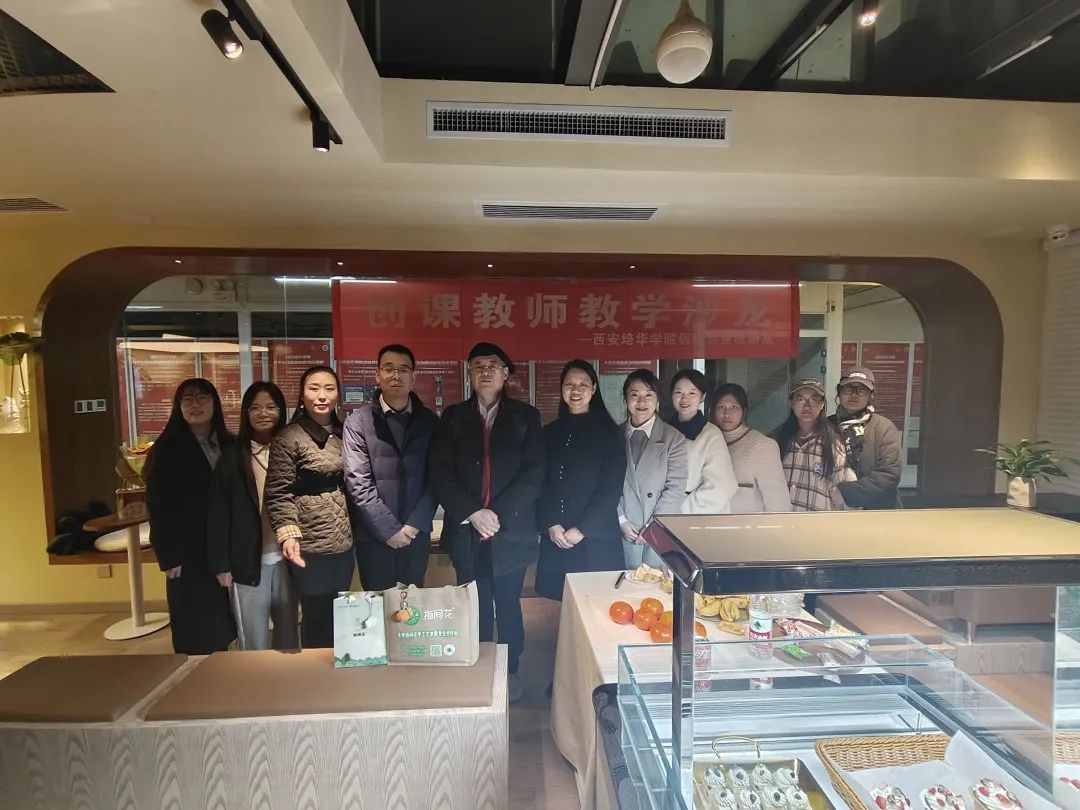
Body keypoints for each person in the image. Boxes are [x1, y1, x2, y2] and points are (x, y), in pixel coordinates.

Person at [429, 342, 544, 703]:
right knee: (472, 603)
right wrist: (472, 512)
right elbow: (440, 471)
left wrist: (497, 515)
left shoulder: (526, 417)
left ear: (506, 374)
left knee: (508, 604)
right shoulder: (452, 417)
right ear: (469, 373)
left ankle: (510, 671)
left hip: (510, 530)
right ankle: (477, 668)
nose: (485, 371)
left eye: (493, 365)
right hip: (467, 530)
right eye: (478, 365)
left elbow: (534, 473)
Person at [145, 378, 236, 654]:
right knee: (195, 625)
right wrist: (169, 555)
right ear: (178, 406)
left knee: (224, 622)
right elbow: (158, 507)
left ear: (215, 403)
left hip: (226, 546)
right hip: (188, 551)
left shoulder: (230, 444)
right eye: (187, 399)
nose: (195, 405)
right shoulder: (166, 450)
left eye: (202, 398)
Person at [265, 365, 353, 648]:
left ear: (338, 394)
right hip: (311, 540)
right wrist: (288, 534)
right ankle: (317, 668)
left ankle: (340, 661)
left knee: (342, 608)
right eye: (314, 388)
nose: (321, 396)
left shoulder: (345, 432)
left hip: (344, 539)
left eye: (329, 388)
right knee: (316, 613)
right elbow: (278, 492)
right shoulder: (289, 437)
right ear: (302, 396)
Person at [207, 381, 299, 650]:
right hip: (247, 562)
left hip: (288, 559)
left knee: (289, 636)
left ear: (281, 411)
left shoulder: (294, 451)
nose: (263, 413)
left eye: (271, 407)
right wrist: (222, 565)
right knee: (253, 640)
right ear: (245, 413)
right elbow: (218, 515)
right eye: (256, 408)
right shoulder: (232, 458)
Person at [343, 344, 438, 592]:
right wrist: (388, 530)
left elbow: (437, 479)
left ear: (413, 377)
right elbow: (357, 482)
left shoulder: (429, 421)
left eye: (403, 369)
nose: (396, 375)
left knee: (412, 606)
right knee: (377, 605)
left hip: (415, 535)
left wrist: (413, 525)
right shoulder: (358, 422)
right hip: (374, 537)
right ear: (377, 375)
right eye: (389, 369)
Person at [534, 360, 626, 601]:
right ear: (561, 388)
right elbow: (540, 483)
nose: (575, 390)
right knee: (562, 599)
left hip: (595, 536)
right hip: (557, 534)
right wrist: (550, 523)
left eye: (583, 384)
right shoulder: (549, 432)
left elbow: (610, 489)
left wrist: (583, 529)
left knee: (597, 601)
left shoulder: (610, 434)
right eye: (569, 384)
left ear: (594, 389)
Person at [618, 369, 688, 568]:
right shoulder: (613, 435)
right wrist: (621, 520)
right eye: (634, 395)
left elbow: (675, 487)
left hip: (658, 529)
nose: (641, 401)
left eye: (648, 395)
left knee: (654, 581)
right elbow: (606, 484)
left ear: (657, 400)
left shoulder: (673, 438)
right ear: (625, 399)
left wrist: (653, 527)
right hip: (622, 529)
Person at [772, 377, 855, 512]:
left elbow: (848, 493)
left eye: (814, 400)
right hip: (782, 521)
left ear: (822, 404)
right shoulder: (777, 441)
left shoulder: (833, 444)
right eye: (800, 399)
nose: (807, 406)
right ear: (791, 403)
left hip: (817, 523)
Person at [828, 367, 904, 509]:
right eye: (848, 388)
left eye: (862, 390)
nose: (854, 395)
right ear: (839, 391)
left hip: (878, 511)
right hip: (834, 509)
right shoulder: (827, 426)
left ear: (871, 395)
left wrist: (846, 492)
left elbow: (890, 475)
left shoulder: (883, 428)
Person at [710, 383, 792, 513]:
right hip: (710, 523)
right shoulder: (706, 442)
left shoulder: (762, 445)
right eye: (721, 407)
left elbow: (778, 504)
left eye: (734, 407)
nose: (727, 413)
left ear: (744, 411)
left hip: (747, 524)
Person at [668, 369, 737, 514]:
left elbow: (721, 487)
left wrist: (678, 510)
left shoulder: (711, 435)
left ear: (702, 397)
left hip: (695, 515)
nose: (684, 399)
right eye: (679, 392)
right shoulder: (664, 431)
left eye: (692, 393)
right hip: (662, 513)